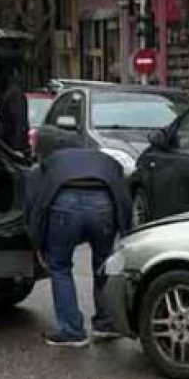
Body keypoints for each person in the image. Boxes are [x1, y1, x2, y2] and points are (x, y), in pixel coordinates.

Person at [24, 146, 133, 347]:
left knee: (60, 266)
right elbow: (124, 194)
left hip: (64, 205)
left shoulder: (47, 163)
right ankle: (106, 324)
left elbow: (32, 201)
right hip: (104, 204)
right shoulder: (106, 160)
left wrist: (36, 240)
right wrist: (124, 229)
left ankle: (72, 331)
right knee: (103, 264)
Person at [0, 77, 30, 155]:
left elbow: (19, 122)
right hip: (8, 144)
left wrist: (16, 147)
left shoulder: (13, 96)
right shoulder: (11, 94)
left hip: (10, 144)